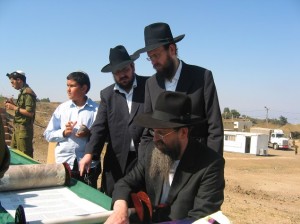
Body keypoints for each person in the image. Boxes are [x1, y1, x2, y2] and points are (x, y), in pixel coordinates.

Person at [105, 91, 225, 224]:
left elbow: (201, 218)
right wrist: (120, 209)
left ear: (183, 132)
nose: (155, 139)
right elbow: (125, 183)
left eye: (161, 133)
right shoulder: (153, 150)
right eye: (153, 131)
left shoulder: (210, 164)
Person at [135, 22, 224, 157]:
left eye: (157, 55)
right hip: (161, 164)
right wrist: (145, 163)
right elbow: (147, 132)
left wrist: (213, 166)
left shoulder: (202, 77)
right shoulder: (151, 84)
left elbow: (215, 128)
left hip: (196, 162)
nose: (153, 62)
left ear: (171, 49)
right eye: (150, 57)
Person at [79, 45, 149, 196]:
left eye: (125, 69)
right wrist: (89, 153)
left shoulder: (149, 86)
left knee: (141, 206)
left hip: (144, 159)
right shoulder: (107, 94)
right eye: (117, 72)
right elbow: (99, 127)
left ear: (133, 66)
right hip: (117, 161)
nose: (122, 75)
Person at [44, 71, 100, 188]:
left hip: (88, 167)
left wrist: (89, 133)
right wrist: (64, 133)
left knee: (88, 200)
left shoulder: (96, 110)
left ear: (84, 88)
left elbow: (103, 137)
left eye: (72, 86)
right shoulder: (62, 109)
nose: (68, 89)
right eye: (67, 86)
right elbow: (48, 134)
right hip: (64, 165)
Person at [5, 70, 37, 157]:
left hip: (24, 131)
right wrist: (13, 105)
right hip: (18, 129)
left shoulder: (28, 93)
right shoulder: (23, 92)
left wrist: (14, 107)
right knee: (14, 154)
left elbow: (30, 113)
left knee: (24, 156)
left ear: (19, 80)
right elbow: (23, 110)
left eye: (12, 82)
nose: (12, 85)